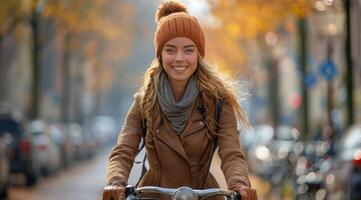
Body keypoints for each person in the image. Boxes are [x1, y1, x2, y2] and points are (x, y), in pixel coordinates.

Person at [102, 1, 258, 200]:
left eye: (188, 50)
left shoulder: (218, 102)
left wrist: (239, 184)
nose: (179, 58)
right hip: (153, 196)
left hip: (203, 195)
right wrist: (115, 181)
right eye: (170, 50)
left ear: (199, 54)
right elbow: (123, 151)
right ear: (160, 54)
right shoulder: (144, 103)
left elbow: (232, 154)